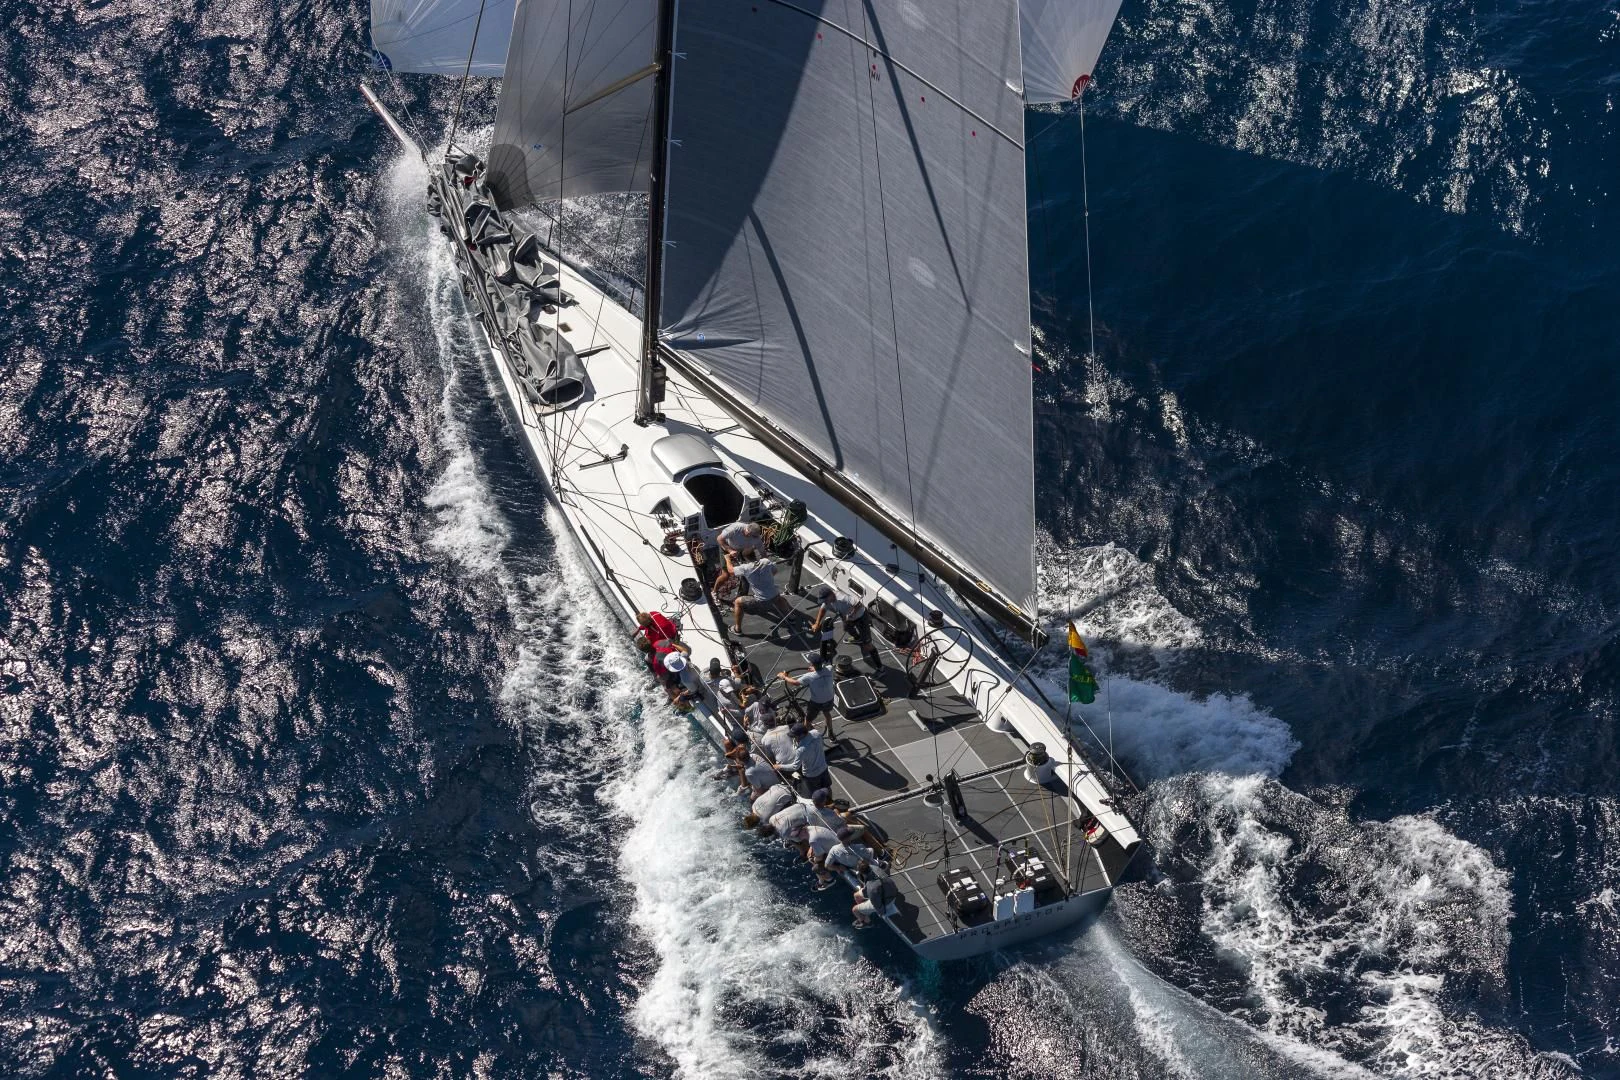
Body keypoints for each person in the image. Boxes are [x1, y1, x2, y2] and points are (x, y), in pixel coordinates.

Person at [731, 553, 791, 633]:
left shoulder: (745, 568)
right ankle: (791, 617)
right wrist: (765, 579)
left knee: (737, 602)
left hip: (761, 601)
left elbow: (731, 571)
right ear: (755, 555)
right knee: (781, 599)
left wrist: (727, 558)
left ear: (745, 559)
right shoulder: (766, 561)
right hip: (775, 595)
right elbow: (775, 571)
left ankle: (737, 629)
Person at [779, 654, 837, 728]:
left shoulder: (809, 676)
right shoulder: (830, 668)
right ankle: (831, 732)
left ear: (812, 664)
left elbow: (795, 683)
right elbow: (824, 670)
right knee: (827, 713)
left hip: (817, 703)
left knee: (808, 719)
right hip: (829, 699)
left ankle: (805, 734)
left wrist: (784, 677)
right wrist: (816, 670)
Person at [852, 860, 898, 928]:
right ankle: (865, 912)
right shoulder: (874, 867)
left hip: (887, 901)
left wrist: (881, 913)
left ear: (862, 873)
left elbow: (879, 906)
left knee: (854, 910)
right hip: (890, 889)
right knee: (856, 895)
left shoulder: (871, 889)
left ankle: (867, 922)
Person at [809, 584, 845, 662]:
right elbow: (822, 609)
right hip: (842, 613)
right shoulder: (828, 600)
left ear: (830, 595)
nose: (824, 602)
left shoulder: (842, 600)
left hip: (851, 613)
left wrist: (847, 622)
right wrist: (817, 623)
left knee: (848, 627)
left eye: (825, 600)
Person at [792, 723, 829, 795]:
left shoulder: (801, 749)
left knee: (815, 793)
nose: (794, 738)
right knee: (827, 788)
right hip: (823, 768)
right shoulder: (816, 733)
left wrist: (779, 766)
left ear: (802, 735)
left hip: (811, 775)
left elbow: (795, 766)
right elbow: (822, 743)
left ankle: (820, 804)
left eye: (795, 736)